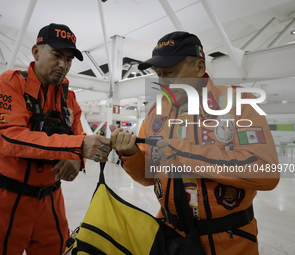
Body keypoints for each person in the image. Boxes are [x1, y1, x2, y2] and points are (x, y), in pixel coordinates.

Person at [110, 31, 280, 255]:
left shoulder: (239, 104)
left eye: (170, 73)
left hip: (229, 242)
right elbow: (149, 178)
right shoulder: (155, 115)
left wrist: (180, 153)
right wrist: (131, 154)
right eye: (159, 75)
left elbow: (265, 170)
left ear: (199, 67)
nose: (163, 83)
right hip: (169, 237)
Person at [0, 23, 111, 255]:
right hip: (3, 200)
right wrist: (76, 147)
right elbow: (9, 137)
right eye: (56, 55)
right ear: (36, 52)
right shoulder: (10, 83)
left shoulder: (68, 97)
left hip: (50, 202)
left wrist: (77, 160)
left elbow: (79, 135)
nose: (63, 65)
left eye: (68, 59)